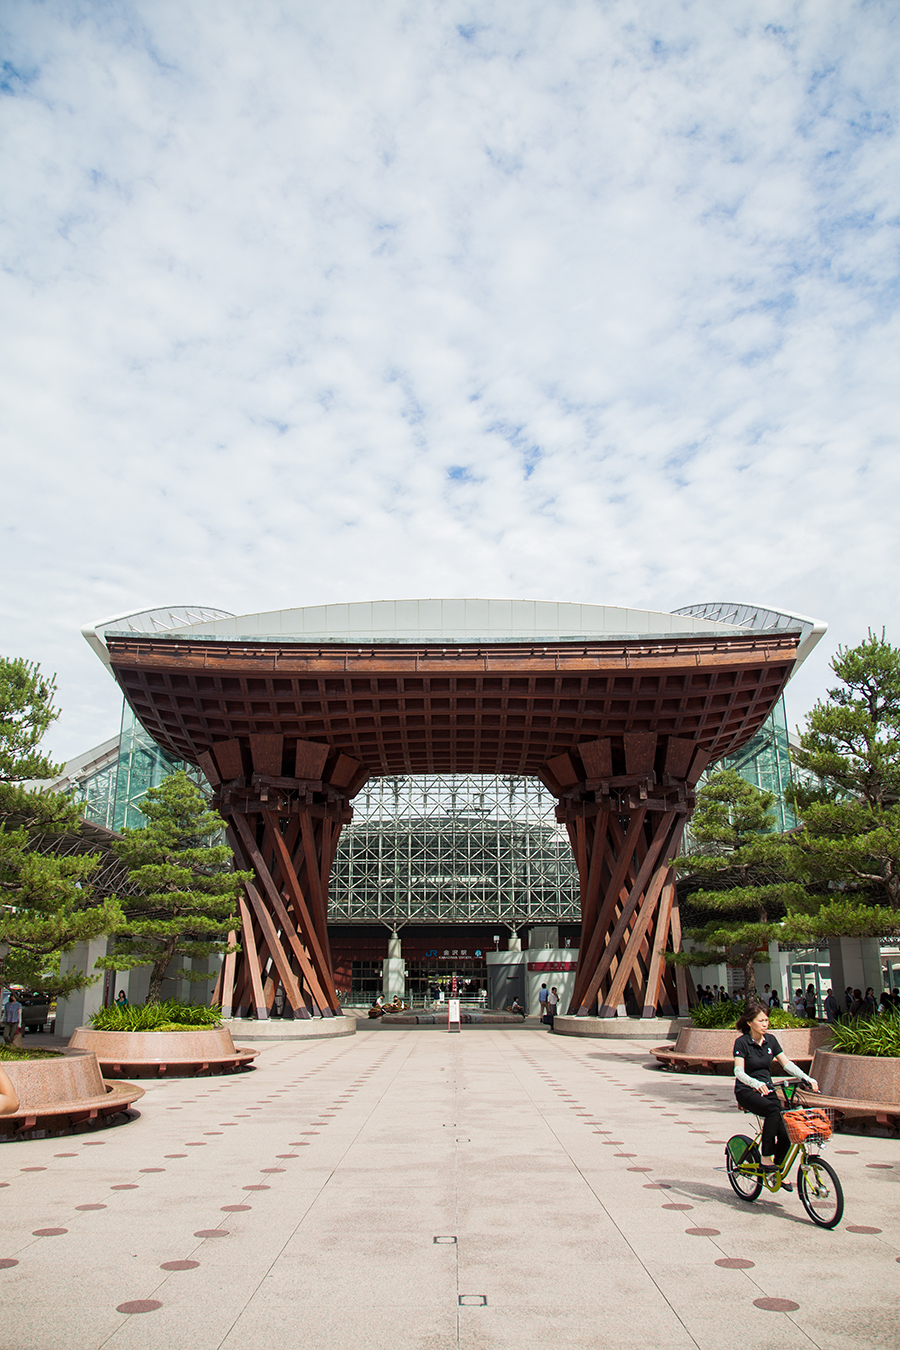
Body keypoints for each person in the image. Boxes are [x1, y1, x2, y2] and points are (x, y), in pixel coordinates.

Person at [733, 999, 819, 1185]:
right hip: (747, 1091)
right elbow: (738, 1071)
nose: (765, 1024)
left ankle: (776, 1170)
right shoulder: (742, 1043)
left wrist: (807, 1078)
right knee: (773, 1112)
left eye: (766, 1021)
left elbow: (786, 1064)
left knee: (787, 1130)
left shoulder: (771, 1040)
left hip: (768, 1090)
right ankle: (765, 1158)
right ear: (749, 1022)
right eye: (761, 1021)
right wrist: (754, 1083)